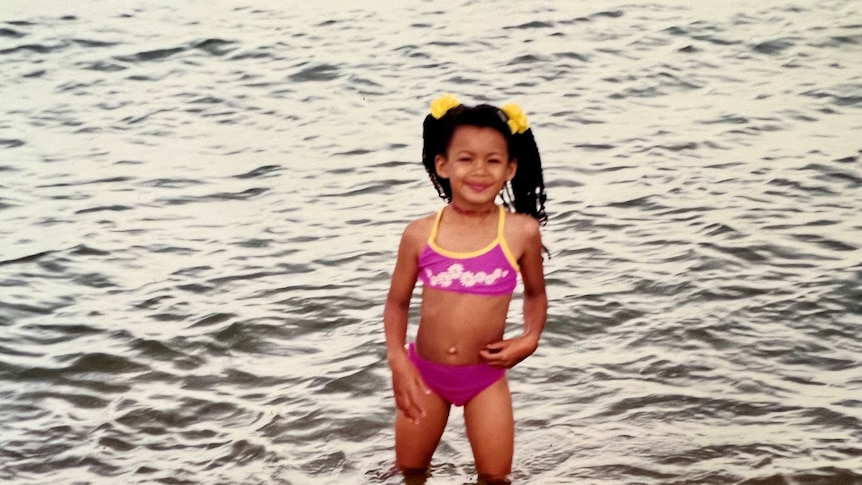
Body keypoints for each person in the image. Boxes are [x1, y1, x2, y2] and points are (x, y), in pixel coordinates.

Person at [383, 94, 549, 483]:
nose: (479, 171)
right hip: (424, 375)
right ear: (443, 165)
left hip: (485, 378)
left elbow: (536, 295)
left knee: (495, 478)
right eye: (466, 159)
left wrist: (530, 338)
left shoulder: (521, 232)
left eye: (493, 161)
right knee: (410, 472)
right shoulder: (420, 234)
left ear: (510, 168)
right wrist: (398, 360)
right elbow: (397, 302)